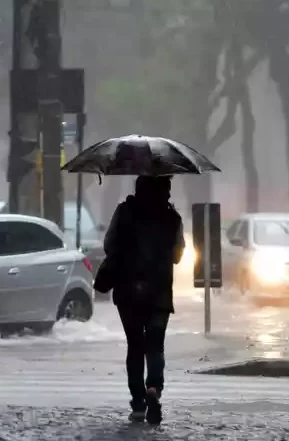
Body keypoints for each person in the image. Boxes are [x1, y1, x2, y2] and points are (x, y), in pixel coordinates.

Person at [103, 175, 185, 425]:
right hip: (159, 291)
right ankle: (154, 389)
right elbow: (178, 256)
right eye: (168, 188)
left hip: (128, 290)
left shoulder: (124, 212)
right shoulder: (172, 218)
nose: (170, 194)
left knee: (135, 346)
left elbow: (109, 245)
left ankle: (138, 402)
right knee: (156, 345)